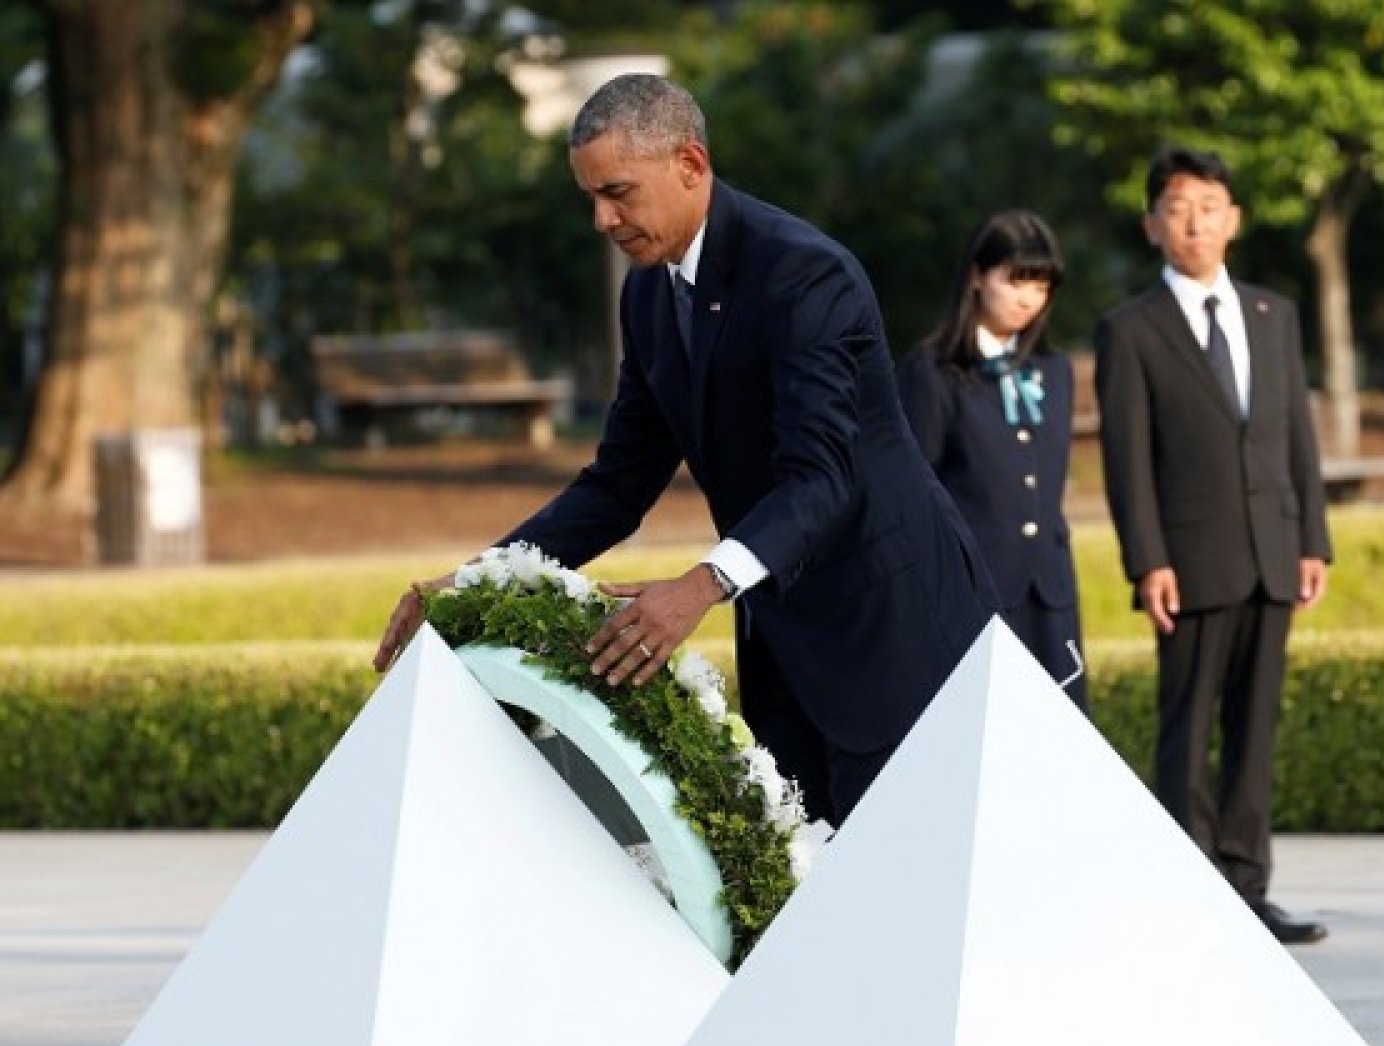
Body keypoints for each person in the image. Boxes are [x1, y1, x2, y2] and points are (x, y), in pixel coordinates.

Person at [372, 74, 997, 826]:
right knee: (814, 874)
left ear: (690, 165)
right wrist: (475, 581)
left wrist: (701, 585)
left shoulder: (804, 273)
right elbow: (617, 484)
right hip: (784, 638)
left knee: (908, 864)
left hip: (895, 622)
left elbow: (821, 475)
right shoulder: (646, 295)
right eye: (590, 198)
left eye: (618, 193)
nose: (602, 220)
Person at [1093, 146, 1333, 944]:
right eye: (1178, 208)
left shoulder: (1273, 314)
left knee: (1255, 731)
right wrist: (1147, 559)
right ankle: (1191, 892)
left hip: (1274, 552)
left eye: (1209, 206)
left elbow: (1297, 435)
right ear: (1151, 225)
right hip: (1190, 563)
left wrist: (1312, 539)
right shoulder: (1131, 330)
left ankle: (1248, 887)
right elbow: (1128, 461)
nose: (1195, 222)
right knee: (1188, 728)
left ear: (1235, 219)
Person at [896, 210, 1091, 714]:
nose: (1029, 298)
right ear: (978, 276)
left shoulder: (1054, 370)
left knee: (1059, 734)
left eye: (1042, 285)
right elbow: (913, 494)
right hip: (973, 592)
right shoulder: (933, 372)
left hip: (1049, 593)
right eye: (1016, 280)